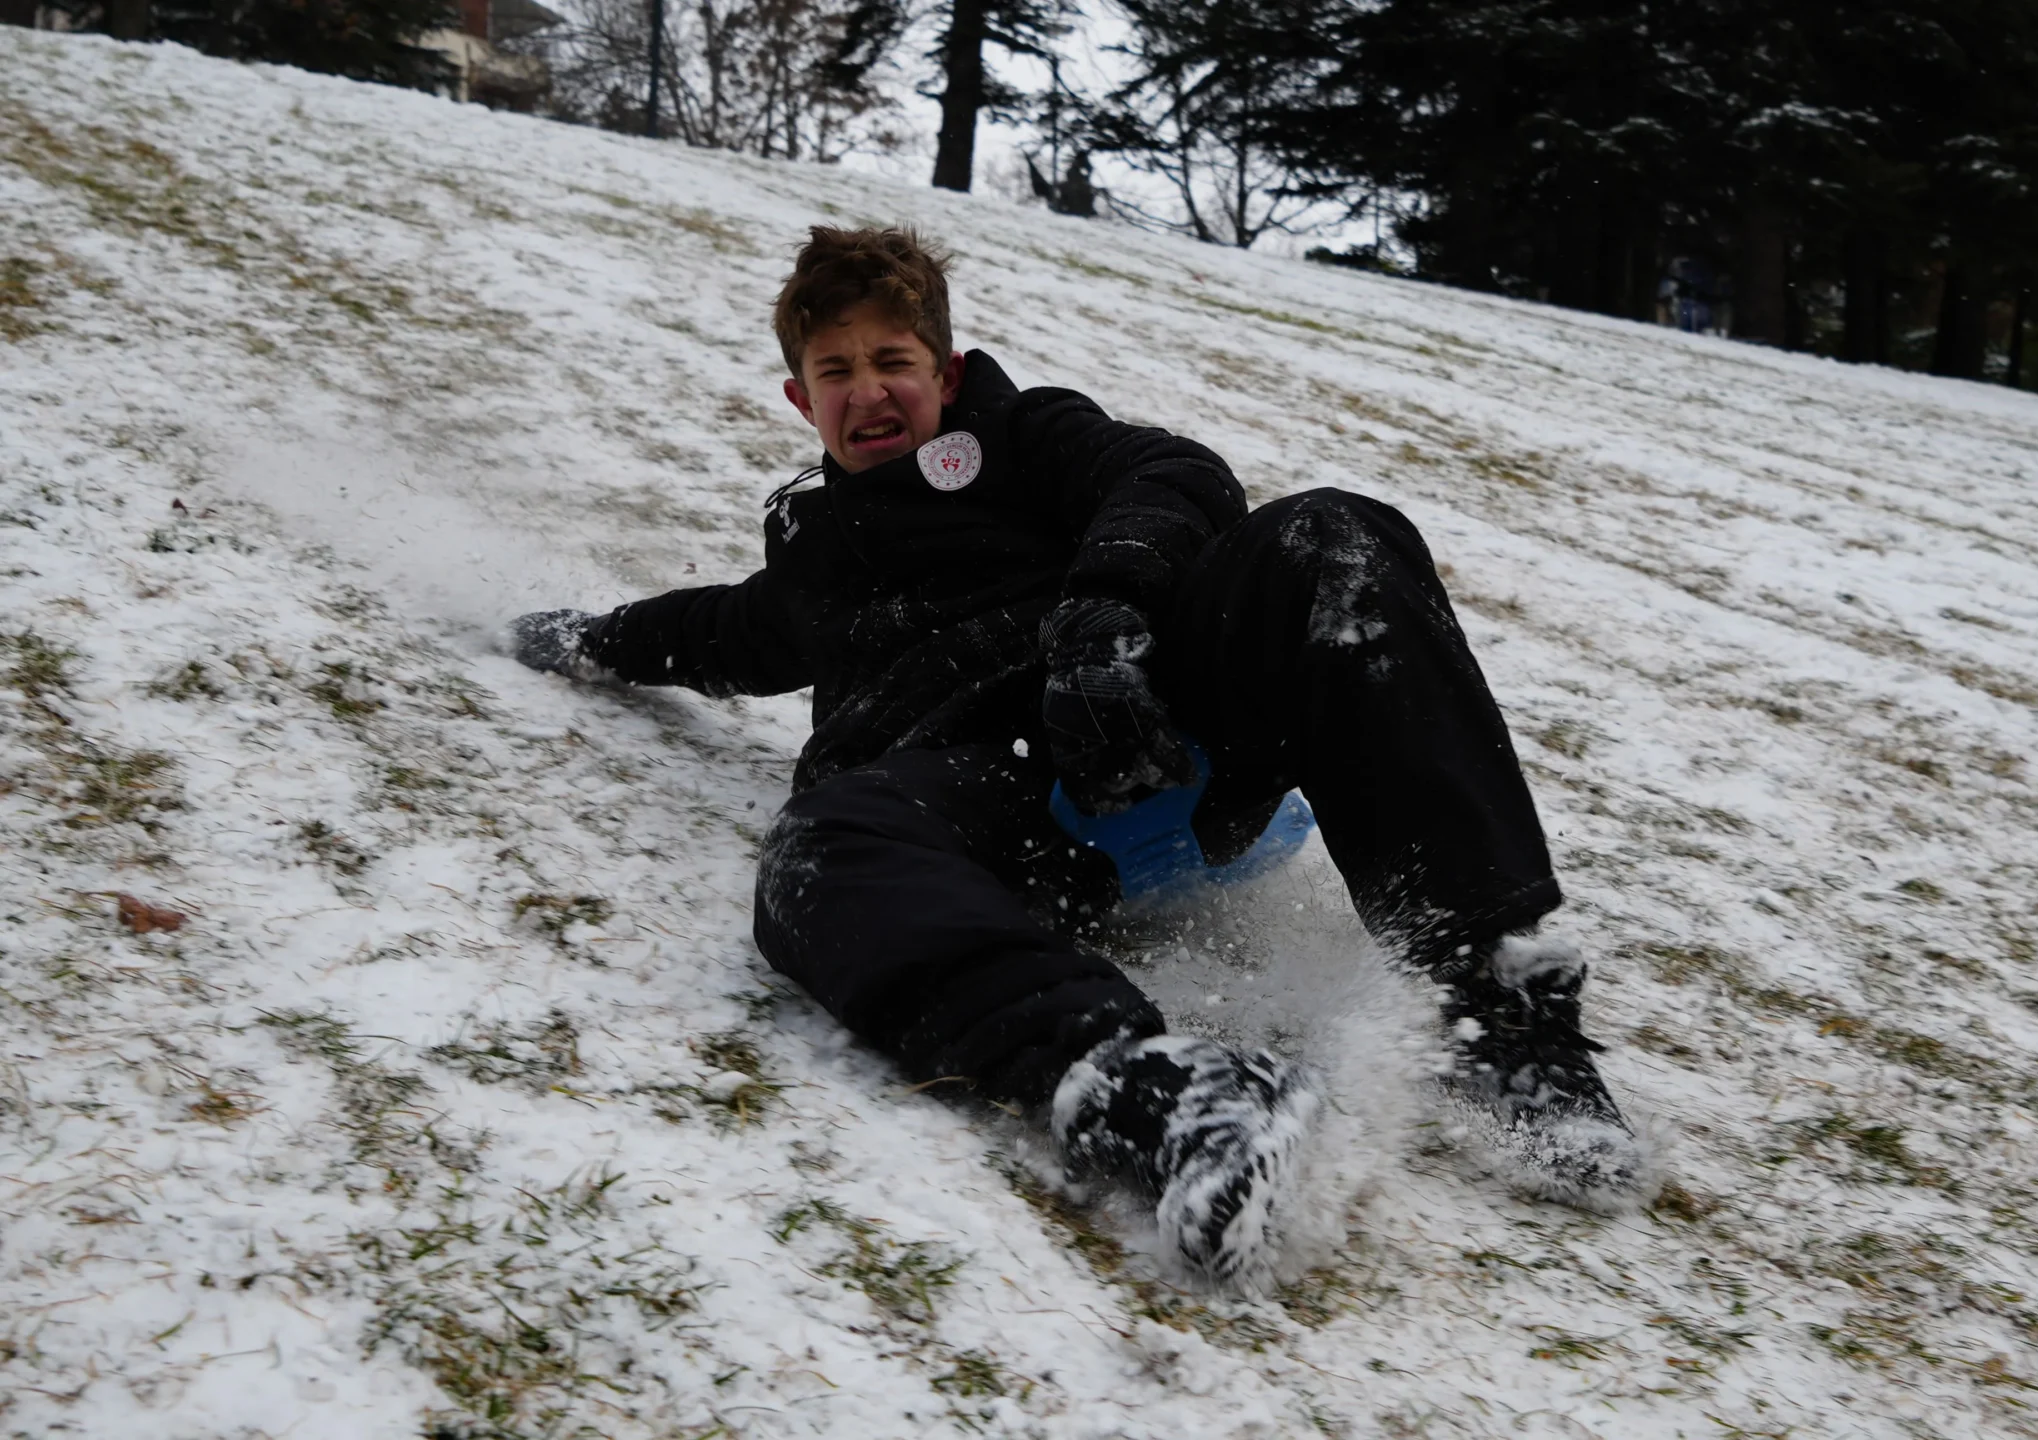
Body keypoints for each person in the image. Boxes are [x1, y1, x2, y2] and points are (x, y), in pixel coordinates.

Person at [506, 227, 1640, 1289]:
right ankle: (1157, 1094)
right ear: (802, 400)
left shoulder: (1028, 438)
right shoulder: (810, 560)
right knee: (819, 845)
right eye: (836, 370)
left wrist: (1103, 615)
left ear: (944, 372)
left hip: (1149, 718)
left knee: (1330, 537)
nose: (868, 391)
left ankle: (1503, 1017)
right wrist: (587, 640)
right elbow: (708, 632)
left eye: (892, 359)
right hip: (991, 804)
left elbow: (1173, 474)